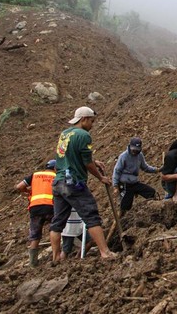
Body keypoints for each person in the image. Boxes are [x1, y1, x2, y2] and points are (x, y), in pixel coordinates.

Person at [49, 106, 117, 261]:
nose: (92, 125)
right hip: (73, 182)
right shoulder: (84, 135)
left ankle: (55, 258)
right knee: (91, 215)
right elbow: (86, 162)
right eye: (91, 121)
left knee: (58, 221)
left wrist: (94, 160)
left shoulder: (65, 134)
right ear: (84, 119)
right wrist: (100, 177)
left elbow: (71, 155)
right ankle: (105, 252)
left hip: (59, 181)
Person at [14, 159, 56, 267]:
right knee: (55, 229)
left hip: (35, 207)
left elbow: (19, 187)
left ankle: (33, 263)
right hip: (51, 206)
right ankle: (56, 256)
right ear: (55, 168)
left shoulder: (35, 175)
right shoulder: (56, 176)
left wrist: (29, 191)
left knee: (35, 234)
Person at [112, 137, 160, 216]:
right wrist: (115, 186)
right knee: (125, 206)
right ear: (130, 147)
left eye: (137, 150)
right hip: (125, 184)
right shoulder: (123, 156)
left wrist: (156, 170)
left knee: (151, 192)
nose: (135, 152)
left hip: (135, 182)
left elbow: (145, 167)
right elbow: (117, 171)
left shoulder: (140, 156)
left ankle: (153, 213)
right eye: (133, 150)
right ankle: (119, 220)